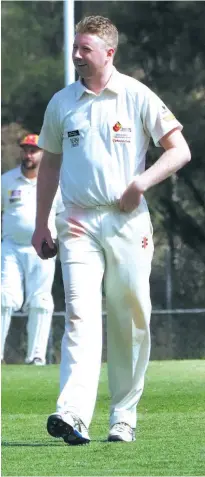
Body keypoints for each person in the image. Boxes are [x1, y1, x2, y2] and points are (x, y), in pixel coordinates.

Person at [32, 15, 191, 443]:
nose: (77, 56)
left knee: (130, 317)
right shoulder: (62, 102)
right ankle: (72, 414)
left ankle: (123, 416)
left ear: (109, 53)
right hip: (77, 221)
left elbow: (180, 150)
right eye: (75, 48)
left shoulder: (136, 95)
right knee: (80, 316)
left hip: (127, 222)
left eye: (86, 49)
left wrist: (141, 183)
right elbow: (50, 163)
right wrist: (40, 222)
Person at [1, 134, 64, 366]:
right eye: (25, 150)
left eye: (33, 150)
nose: (28, 155)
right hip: (10, 247)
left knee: (40, 302)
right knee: (4, 297)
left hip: (43, 248)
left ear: (43, 153)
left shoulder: (55, 182)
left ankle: (36, 356)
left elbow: (63, 215)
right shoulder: (6, 181)